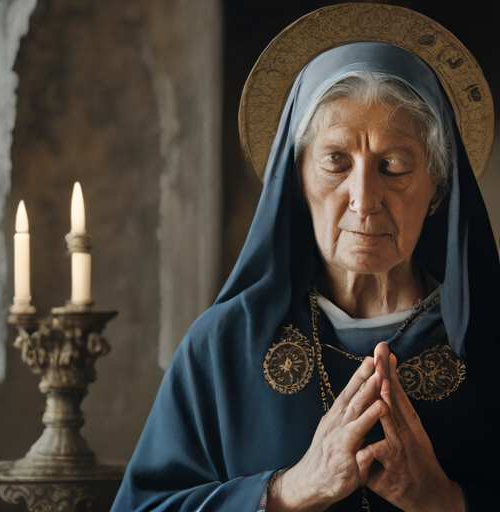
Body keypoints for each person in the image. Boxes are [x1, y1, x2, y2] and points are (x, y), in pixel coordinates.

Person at [111, 4, 500, 511]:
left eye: (395, 165)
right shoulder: (225, 345)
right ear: (296, 181)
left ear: (437, 189)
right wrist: (290, 491)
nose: (364, 199)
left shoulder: (491, 341)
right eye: (336, 163)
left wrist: (443, 500)